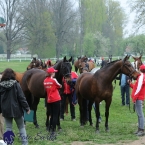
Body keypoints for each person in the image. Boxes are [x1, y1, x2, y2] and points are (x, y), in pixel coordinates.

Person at [0, 68, 30, 145]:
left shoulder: (0, 85)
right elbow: (21, 97)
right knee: (21, 127)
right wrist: (27, 108)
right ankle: (24, 143)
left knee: (8, 128)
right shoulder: (16, 84)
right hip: (17, 110)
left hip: (6, 110)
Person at [43, 67, 62, 140]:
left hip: (49, 100)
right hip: (56, 99)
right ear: (51, 73)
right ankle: (53, 130)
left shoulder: (45, 81)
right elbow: (59, 86)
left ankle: (50, 128)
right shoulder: (54, 80)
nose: (55, 73)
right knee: (55, 115)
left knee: (51, 114)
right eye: (54, 72)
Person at [128, 64, 145, 136]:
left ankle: (142, 130)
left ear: (140, 69)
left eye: (138, 69)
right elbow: (136, 87)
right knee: (139, 114)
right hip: (139, 97)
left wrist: (134, 98)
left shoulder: (141, 77)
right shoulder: (141, 77)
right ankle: (139, 129)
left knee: (140, 114)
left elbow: (138, 89)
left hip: (138, 98)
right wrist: (130, 84)